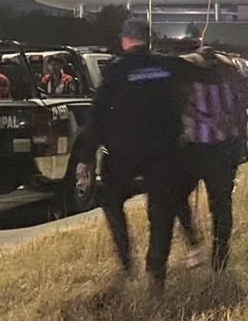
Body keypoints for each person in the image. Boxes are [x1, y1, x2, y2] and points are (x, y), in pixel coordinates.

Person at [78, 18, 207, 295]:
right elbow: (196, 76)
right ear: (148, 39)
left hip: (123, 152)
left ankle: (127, 262)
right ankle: (155, 273)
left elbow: (98, 113)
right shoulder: (167, 65)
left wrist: (86, 155)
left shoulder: (115, 70)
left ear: (125, 39)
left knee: (111, 200)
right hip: (165, 152)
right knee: (161, 214)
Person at [180, 47, 248, 271]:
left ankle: (209, 250)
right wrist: (229, 115)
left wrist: (210, 119)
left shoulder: (202, 75)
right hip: (217, 148)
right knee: (221, 205)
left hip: (201, 148)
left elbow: (183, 104)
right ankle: (218, 255)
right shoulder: (228, 74)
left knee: (208, 202)